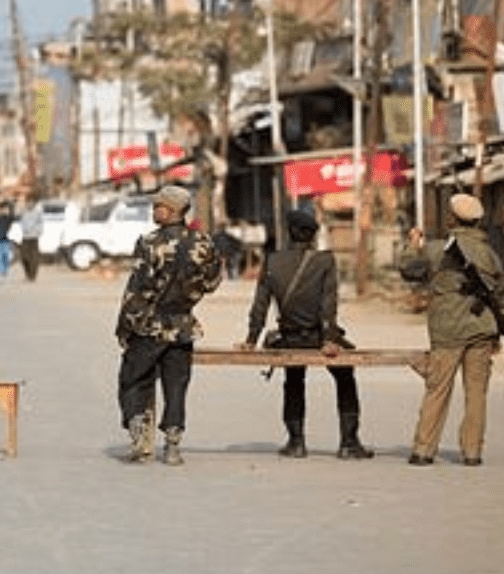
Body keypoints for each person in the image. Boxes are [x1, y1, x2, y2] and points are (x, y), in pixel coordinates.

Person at [239, 210, 374, 460]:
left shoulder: (273, 261)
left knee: (293, 381)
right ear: (313, 236)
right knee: (345, 376)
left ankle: (296, 442)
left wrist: (251, 339)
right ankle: (349, 442)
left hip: (290, 337)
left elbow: (260, 305)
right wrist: (330, 339)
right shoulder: (324, 261)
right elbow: (329, 304)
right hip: (318, 337)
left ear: (290, 233)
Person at [115, 185, 221, 465]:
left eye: (157, 206)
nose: (154, 211)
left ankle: (140, 437)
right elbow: (212, 283)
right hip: (184, 325)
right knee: (176, 386)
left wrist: (124, 325)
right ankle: (173, 446)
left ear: (172, 210)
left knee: (134, 379)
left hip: (149, 325)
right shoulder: (204, 243)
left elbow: (137, 289)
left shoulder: (150, 243)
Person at [401, 193, 504, 467]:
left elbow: (409, 270)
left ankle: (424, 450)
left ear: (452, 218)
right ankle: (473, 452)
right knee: (476, 393)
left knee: (437, 389)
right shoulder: (490, 253)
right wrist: (498, 333)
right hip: (482, 328)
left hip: (448, 331)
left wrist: (413, 245)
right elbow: (500, 295)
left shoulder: (438, 250)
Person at [17, 202, 45, 282]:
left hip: (34, 237)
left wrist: (36, 231)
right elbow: (21, 222)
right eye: (28, 203)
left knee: (34, 258)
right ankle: (27, 273)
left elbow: (41, 224)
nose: (29, 205)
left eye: (31, 203)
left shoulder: (38, 213)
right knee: (24, 257)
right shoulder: (24, 212)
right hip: (25, 237)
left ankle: (32, 276)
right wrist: (24, 229)